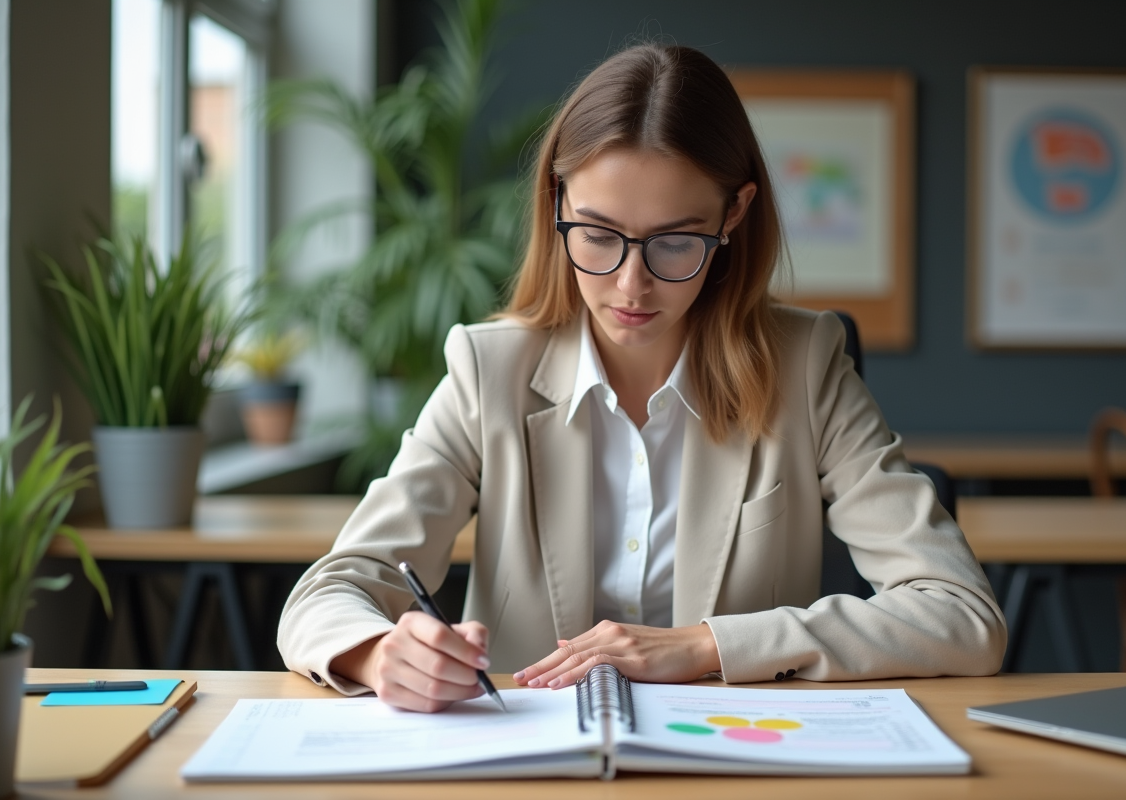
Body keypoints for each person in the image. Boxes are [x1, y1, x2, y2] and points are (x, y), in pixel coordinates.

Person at [278, 43, 1007, 713]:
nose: (632, 284)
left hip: (733, 759)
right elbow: (328, 594)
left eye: (675, 242)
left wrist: (706, 645)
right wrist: (380, 654)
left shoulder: (806, 365)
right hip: (529, 770)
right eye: (598, 235)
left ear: (734, 214)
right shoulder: (487, 371)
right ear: (556, 204)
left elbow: (962, 615)